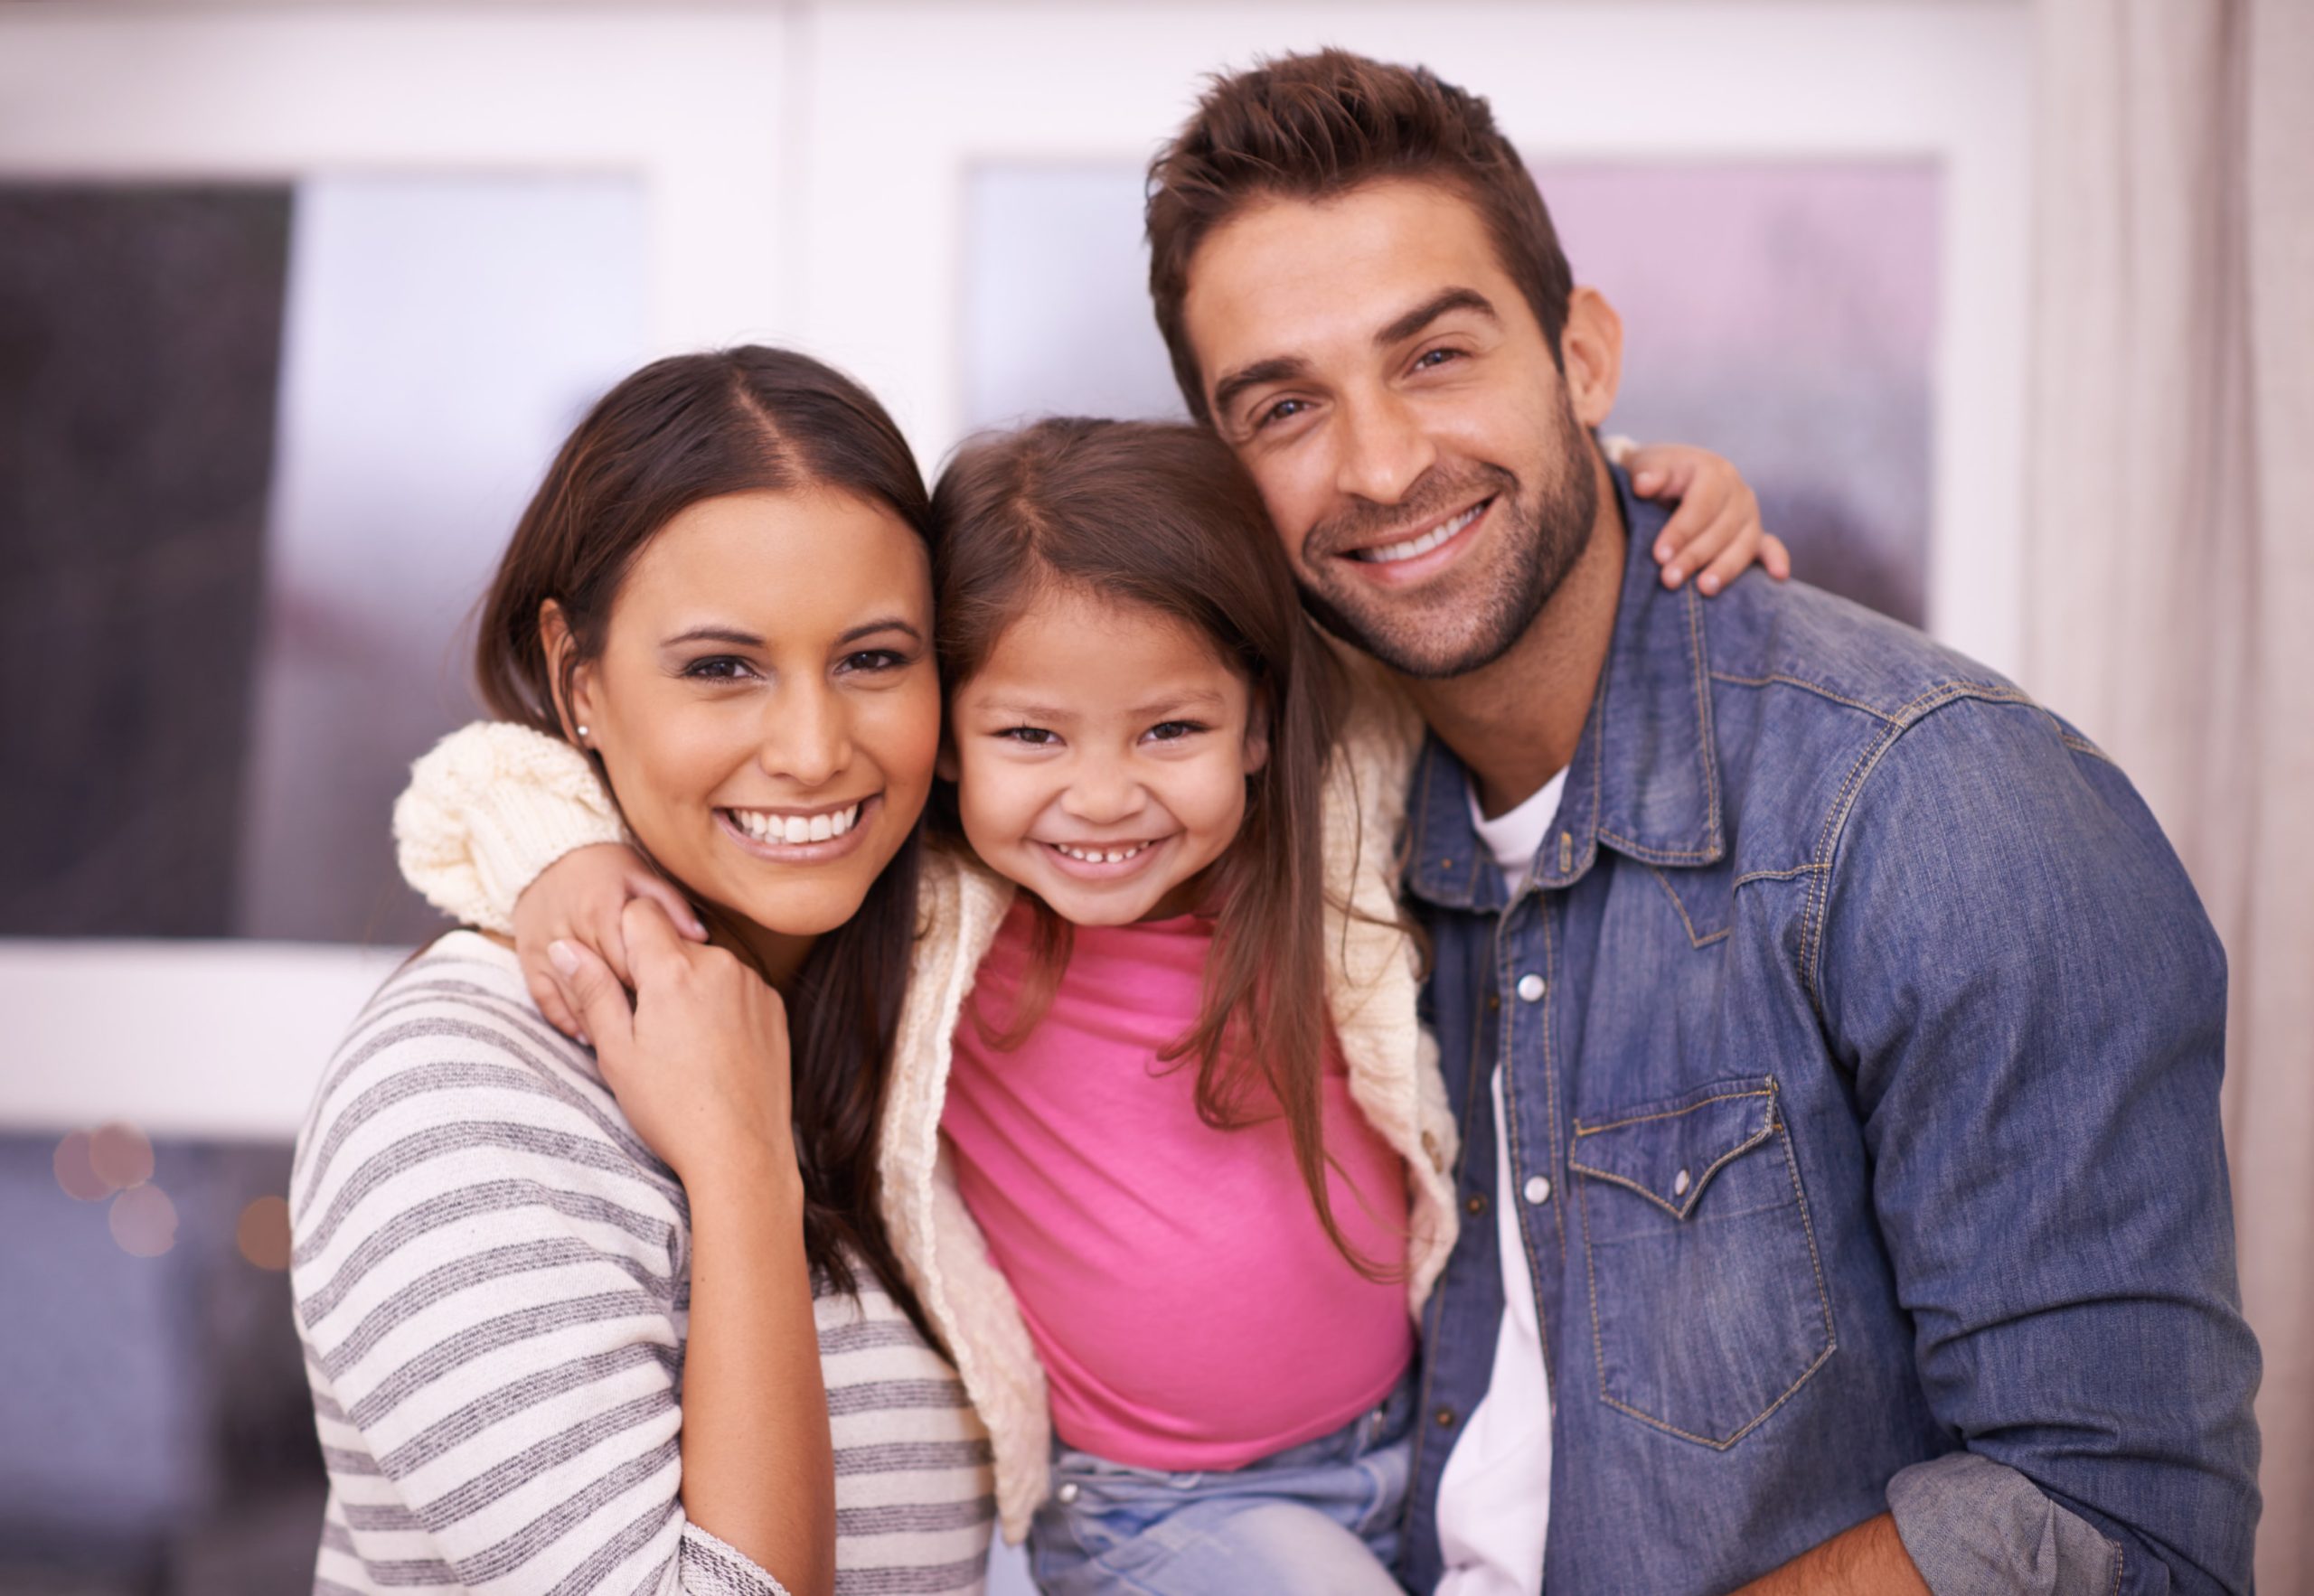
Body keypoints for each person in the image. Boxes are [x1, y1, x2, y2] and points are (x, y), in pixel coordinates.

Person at [1133, 46, 2262, 1595]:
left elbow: (2119, 1525)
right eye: (1284, 407)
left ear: (1584, 358)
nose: (1380, 463)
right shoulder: (1299, 820)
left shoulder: (1935, 807)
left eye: (1437, 355)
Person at [390, 417, 1783, 1593]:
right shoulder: (934, 898)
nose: (1102, 797)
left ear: (1257, 718)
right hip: (1156, 1515)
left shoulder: (1329, 810)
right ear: (946, 742)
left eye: (1168, 731)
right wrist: (562, 857)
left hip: (1421, 1427)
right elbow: (486, 777)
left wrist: (1625, 511)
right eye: (1030, 736)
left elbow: (1470, 619)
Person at [289, 347, 993, 1596]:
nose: (814, 748)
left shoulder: (911, 1026)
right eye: (722, 666)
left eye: (874, 659)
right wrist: (735, 1160)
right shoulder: (455, 1094)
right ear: (581, 682)